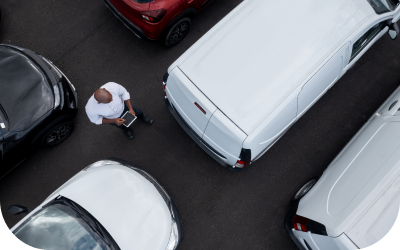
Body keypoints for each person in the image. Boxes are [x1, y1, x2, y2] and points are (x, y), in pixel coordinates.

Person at [85, 82, 153, 139]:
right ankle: (126, 129)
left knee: (137, 112)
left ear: (105, 89)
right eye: (108, 101)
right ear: (99, 102)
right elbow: (95, 120)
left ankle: (143, 117)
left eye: (111, 97)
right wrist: (113, 121)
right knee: (121, 125)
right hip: (112, 118)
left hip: (124, 107)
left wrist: (130, 108)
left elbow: (124, 93)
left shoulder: (112, 86)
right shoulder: (90, 109)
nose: (112, 100)